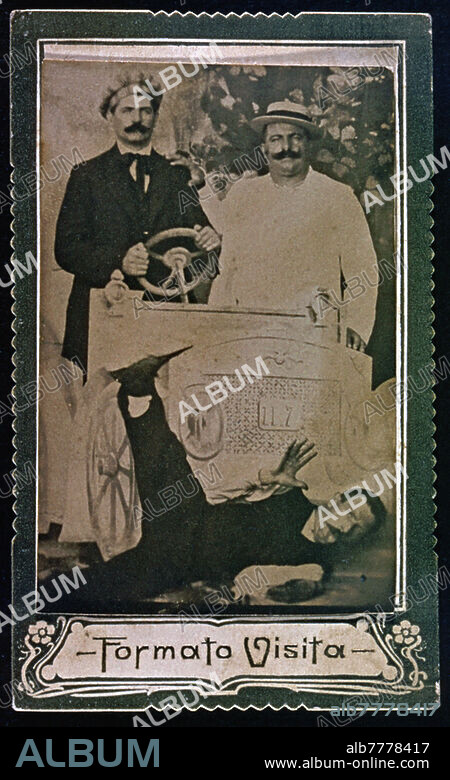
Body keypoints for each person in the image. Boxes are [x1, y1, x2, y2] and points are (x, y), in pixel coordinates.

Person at [55, 72, 221, 371]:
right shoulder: (86, 176)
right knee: (101, 407)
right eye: (127, 111)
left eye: (146, 110)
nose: (137, 119)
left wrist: (211, 242)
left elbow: (201, 249)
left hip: (164, 317)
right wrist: (119, 260)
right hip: (103, 312)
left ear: (155, 117)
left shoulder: (176, 174)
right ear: (110, 116)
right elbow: (66, 249)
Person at [207, 100, 378, 352]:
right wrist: (215, 327)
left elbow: (363, 269)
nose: (285, 148)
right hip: (249, 330)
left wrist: (355, 326)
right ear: (264, 147)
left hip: (315, 331)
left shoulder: (337, 196)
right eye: (275, 139)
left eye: (295, 138)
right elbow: (228, 269)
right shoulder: (243, 194)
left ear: (308, 143)